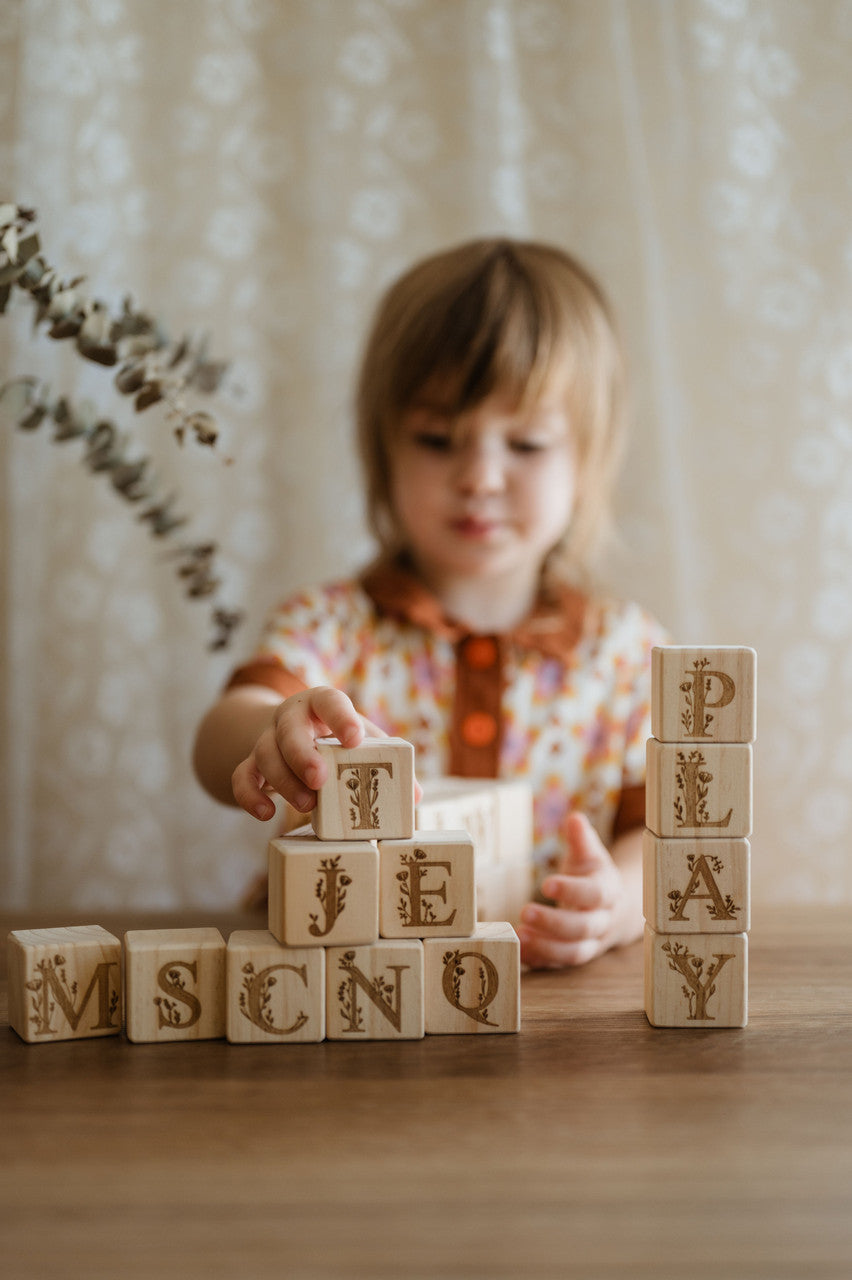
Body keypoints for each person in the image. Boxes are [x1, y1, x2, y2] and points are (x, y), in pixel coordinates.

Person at [193, 238, 668, 968]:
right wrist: (271, 736)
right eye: (438, 438)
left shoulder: (627, 653)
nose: (479, 477)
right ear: (384, 453)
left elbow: (659, 836)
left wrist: (619, 905)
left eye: (528, 444)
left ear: (588, 462)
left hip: (541, 1010)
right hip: (334, 980)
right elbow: (219, 736)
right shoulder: (330, 626)